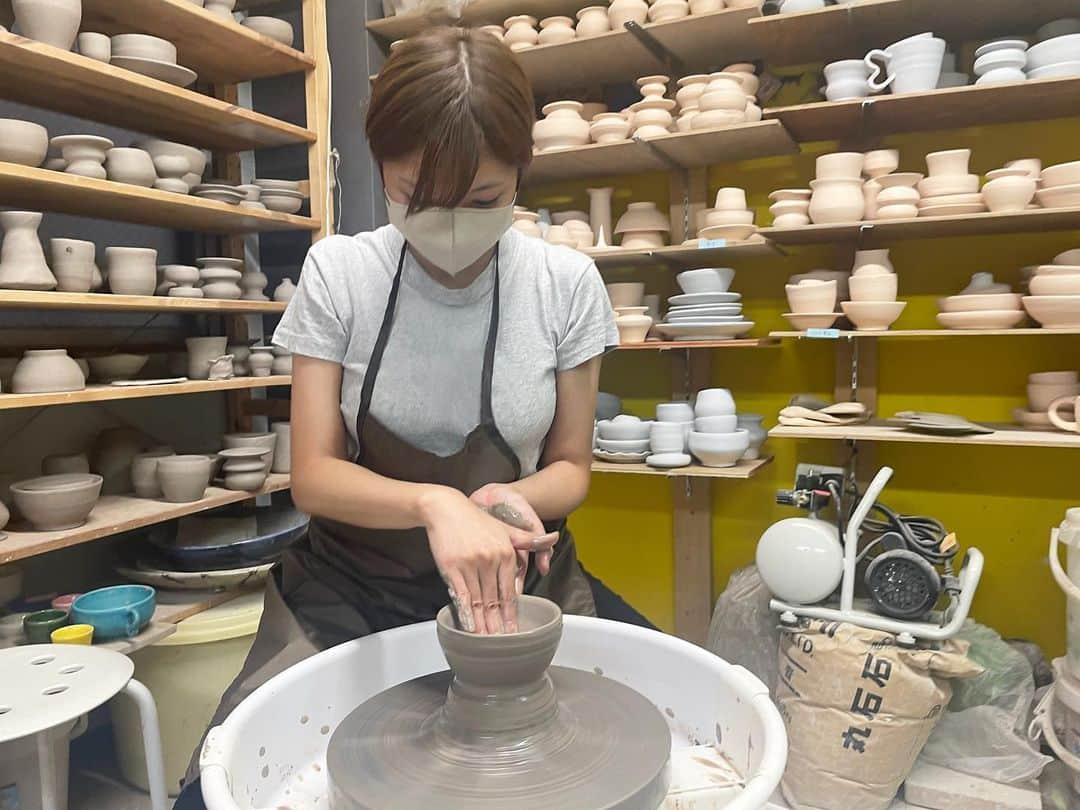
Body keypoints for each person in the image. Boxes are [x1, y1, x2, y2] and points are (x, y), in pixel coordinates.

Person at [176, 25, 651, 806]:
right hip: (351, 585)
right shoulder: (341, 273)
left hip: (518, 580)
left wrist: (504, 505)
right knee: (216, 789)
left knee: (648, 744)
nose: (452, 225)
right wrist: (437, 504)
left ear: (523, 172)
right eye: (418, 198)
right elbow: (314, 477)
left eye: (484, 200)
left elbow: (570, 468)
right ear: (382, 171)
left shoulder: (565, 286)